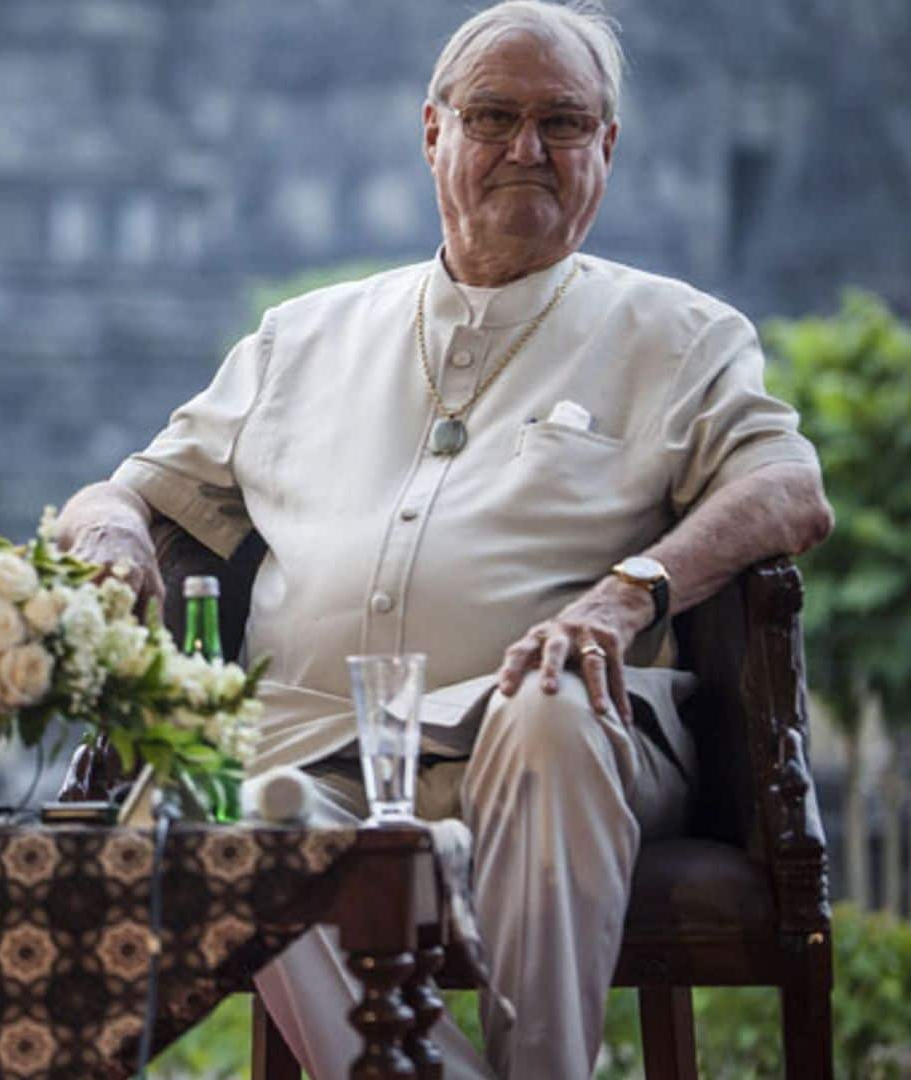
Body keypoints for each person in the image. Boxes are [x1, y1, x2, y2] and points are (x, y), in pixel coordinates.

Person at [55, 3, 832, 1076]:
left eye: (563, 122)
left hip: (565, 741)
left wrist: (627, 594)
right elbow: (126, 494)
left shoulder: (680, 335)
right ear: (434, 133)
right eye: (494, 116)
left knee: (549, 711)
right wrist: (109, 535)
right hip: (315, 748)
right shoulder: (303, 338)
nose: (527, 149)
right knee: (215, 791)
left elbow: (791, 489)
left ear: (606, 147)